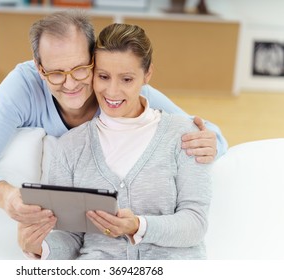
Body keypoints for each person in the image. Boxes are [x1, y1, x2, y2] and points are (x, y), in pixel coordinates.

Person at [0, 10, 225, 225]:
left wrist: (212, 142)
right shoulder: (23, 85)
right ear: (39, 67)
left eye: (81, 69)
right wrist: (7, 196)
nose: (70, 84)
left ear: (94, 58)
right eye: (56, 73)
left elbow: (209, 132)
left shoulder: (118, 91)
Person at [18, 22, 212, 260]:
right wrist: (39, 246)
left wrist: (138, 226)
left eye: (127, 79)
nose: (112, 91)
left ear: (147, 74)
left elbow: (195, 223)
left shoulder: (186, 135)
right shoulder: (70, 147)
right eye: (103, 76)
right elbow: (70, 237)